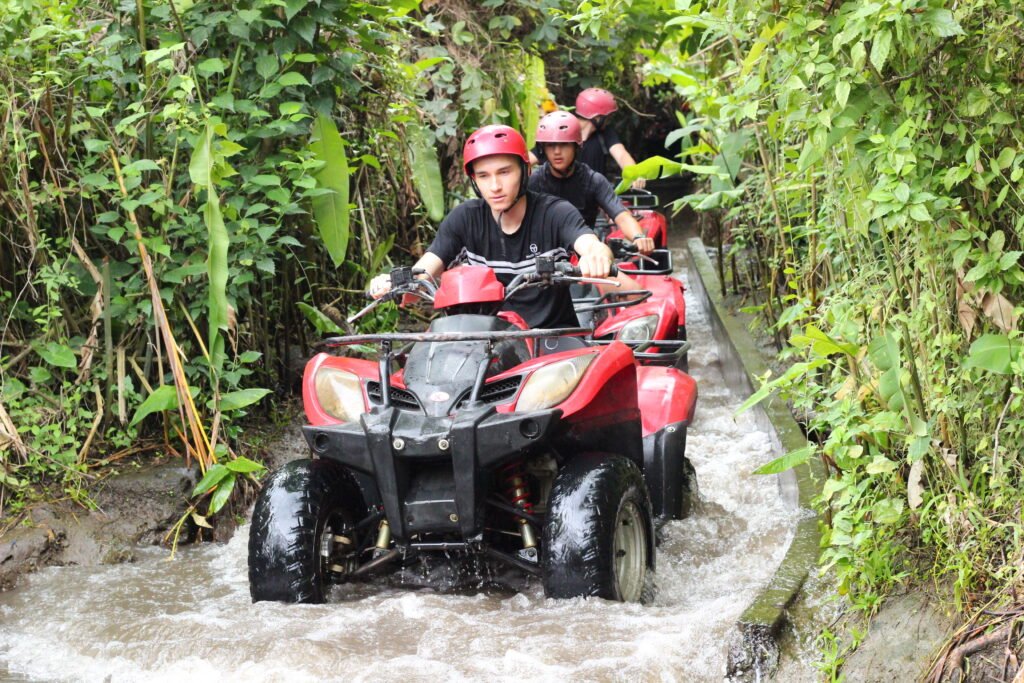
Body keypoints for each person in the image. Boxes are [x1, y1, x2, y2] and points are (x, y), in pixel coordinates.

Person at [368, 124, 633, 331]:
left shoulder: (555, 212)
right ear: (474, 180)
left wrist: (597, 256)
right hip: (484, 341)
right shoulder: (464, 218)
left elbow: (590, 244)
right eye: (484, 176)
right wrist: (393, 283)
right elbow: (425, 271)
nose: (494, 186)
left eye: (504, 172)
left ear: (524, 171)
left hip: (552, 342)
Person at [528, 111, 656, 256]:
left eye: (564, 144)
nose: (557, 152)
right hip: (541, 257)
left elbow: (621, 214)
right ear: (543, 149)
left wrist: (638, 237)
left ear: (576, 147)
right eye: (551, 146)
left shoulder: (593, 180)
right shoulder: (534, 181)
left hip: (585, 256)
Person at [530, 87, 646, 190]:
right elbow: (527, 160)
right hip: (558, 198)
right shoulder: (561, 130)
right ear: (597, 118)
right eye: (607, 117)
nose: (609, 120)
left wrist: (634, 173)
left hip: (594, 197)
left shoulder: (605, 133)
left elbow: (621, 154)